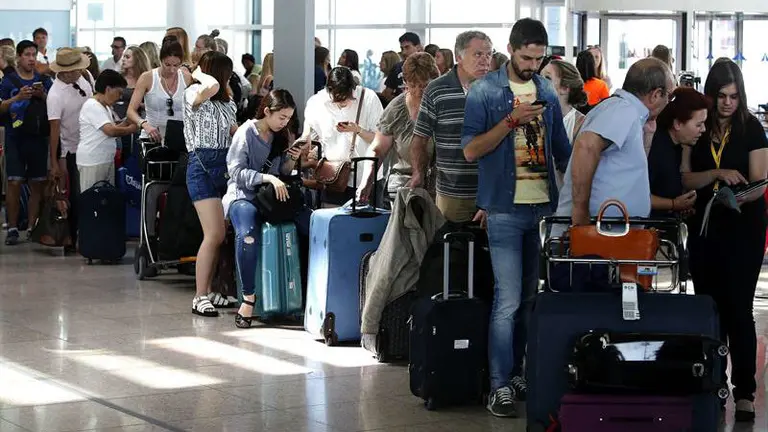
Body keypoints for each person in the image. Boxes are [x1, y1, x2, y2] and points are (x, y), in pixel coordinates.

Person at [462, 19, 572, 418]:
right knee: (507, 301)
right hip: (505, 210)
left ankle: (520, 370)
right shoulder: (484, 91)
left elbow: (563, 148)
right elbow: (471, 151)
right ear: (510, 50)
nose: (533, 65)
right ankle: (499, 384)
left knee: (529, 299)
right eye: (527, 57)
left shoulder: (544, 88)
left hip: (542, 209)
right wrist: (512, 122)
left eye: (540, 58)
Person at [681, 60, 768, 422]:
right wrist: (716, 175)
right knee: (709, 309)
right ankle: (712, 384)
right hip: (705, 230)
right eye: (721, 96)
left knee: (739, 311)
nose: (728, 103)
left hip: (743, 229)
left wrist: (735, 195)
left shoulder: (751, 130)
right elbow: (686, 178)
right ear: (711, 94)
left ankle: (744, 391)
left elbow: (760, 181)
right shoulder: (698, 127)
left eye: (734, 96)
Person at [223, 89, 310, 328]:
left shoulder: (280, 136)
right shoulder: (246, 132)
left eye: (288, 119)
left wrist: (293, 158)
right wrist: (267, 179)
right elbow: (236, 172)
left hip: (271, 198)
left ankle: (300, 294)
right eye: (281, 117)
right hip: (244, 196)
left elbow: (282, 171)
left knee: (310, 225)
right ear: (267, 111)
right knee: (247, 233)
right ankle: (248, 298)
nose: (284, 123)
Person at [555, 57, 676, 226]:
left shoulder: (626, 111)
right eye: (669, 97)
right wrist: (580, 212)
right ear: (656, 95)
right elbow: (587, 146)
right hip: (597, 233)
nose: (668, 103)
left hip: (611, 231)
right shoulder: (623, 110)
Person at [408, 31, 492, 224]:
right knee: (452, 249)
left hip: (491, 191)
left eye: (489, 54)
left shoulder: (498, 89)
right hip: (452, 191)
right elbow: (420, 138)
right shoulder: (437, 89)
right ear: (458, 57)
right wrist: (418, 173)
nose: (485, 60)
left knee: (489, 251)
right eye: (478, 54)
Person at [184, 51, 239, 317]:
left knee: (220, 236)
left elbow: (233, 132)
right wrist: (196, 72)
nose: (229, 79)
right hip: (201, 168)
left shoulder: (228, 103)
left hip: (225, 168)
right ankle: (199, 296)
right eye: (226, 73)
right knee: (214, 234)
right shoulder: (194, 93)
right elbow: (213, 86)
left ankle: (214, 291)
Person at [357, 52, 440, 205]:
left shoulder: (443, 104)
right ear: (405, 82)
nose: (418, 91)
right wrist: (367, 182)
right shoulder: (396, 109)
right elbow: (378, 149)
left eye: (424, 85)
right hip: (402, 185)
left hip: (439, 186)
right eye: (412, 85)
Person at [301, 66, 383, 206]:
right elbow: (308, 132)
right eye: (337, 100)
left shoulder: (368, 98)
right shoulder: (317, 102)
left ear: (353, 88)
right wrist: (303, 141)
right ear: (329, 91)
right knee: (333, 223)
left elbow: (380, 140)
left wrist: (358, 130)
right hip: (333, 177)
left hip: (364, 177)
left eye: (346, 98)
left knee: (365, 225)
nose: (342, 103)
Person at [0, 40, 53, 245]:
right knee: (14, 182)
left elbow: (55, 107)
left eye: (34, 55)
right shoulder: (7, 82)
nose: (32, 59)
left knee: (37, 183)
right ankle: (13, 227)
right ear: (19, 57)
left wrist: (44, 95)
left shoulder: (44, 80)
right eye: (27, 55)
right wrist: (17, 98)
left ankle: (32, 226)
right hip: (15, 138)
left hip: (38, 138)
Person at [47, 47, 94, 252]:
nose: (79, 72)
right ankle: (71, 238)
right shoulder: (55, 95)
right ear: (64, 72)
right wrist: (55, 163)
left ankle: (88, 233)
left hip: (90, 143)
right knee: (73, 195)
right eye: (75, 70)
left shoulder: (83, 79)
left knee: (86, 192)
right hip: (71, 149)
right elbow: (54, 131)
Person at [648, 87, 710, 218]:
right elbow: (639, 196)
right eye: (699, 125)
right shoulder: (656, 150)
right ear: (677, 124)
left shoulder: (676, 147)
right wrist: (673, 204)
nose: (703, 129)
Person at [77, 70, 138, 191]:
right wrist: (131, 129)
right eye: (118, 92)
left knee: (105, 200)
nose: (120, 97)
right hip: (93, 161)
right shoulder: (93, 106)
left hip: (104, 160)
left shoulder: (104, 107)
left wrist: (126, 121)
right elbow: (110, 131)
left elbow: (112, 128)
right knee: (93, 201)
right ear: (108, 89)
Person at [126, 40, 192, 143]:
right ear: (160, 60)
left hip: (179, 138)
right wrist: (144, 124)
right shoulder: (147, 78)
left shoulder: (187, 78)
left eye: (176, 65)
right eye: (167, 65)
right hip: (151, 137)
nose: (172, 70)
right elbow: (130, 111)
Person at [381, 32, 422, 102]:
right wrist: (400, 105)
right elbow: (387, 93)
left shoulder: (428, 66)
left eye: (407, 47)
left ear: (418, 47)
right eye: (402, 48)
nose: (404, 52)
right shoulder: (397, 68)